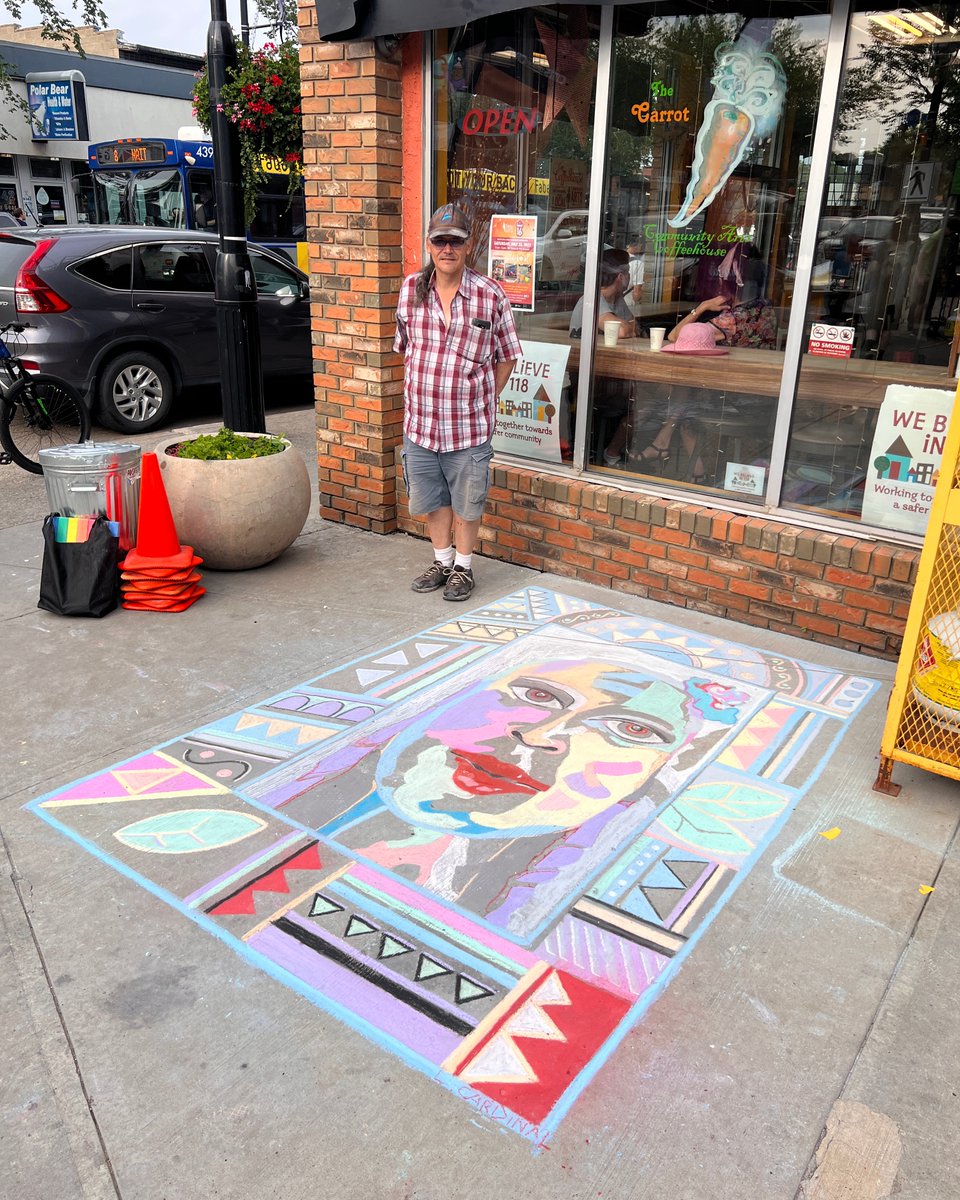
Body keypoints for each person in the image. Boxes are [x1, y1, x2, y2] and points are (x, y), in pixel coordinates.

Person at [394, 203, 522, 602]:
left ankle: (464, 568)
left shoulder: (490, 295)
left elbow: (508, 355)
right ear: (429, 245)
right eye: (440, 240)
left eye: (455, 241)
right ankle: (442, 561)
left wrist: (482, 396)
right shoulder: (410, 291)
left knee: (468, 503)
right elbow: (405, 348)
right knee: (434, 502)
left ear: (468, 246)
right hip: (421, 426)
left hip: (469, 427)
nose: (447, 247)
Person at [568, 248, 639, 466]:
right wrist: (625, 325)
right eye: (627, 274)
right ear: (621, 277)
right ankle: (612, 453)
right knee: (646, 402)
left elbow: (633, 325)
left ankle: (613, 450)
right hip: (589, 381)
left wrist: (626, 325)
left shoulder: (616, 301)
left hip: (608, 375)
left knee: (647, 396)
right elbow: (624, 330)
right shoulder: (591, 300)